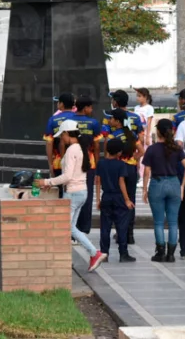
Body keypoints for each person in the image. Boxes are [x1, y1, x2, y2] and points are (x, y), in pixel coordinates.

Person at [38, 120, 106, 271]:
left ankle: (93, 253)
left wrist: (46, 181)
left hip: (73, 193)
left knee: (66, 228)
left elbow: (67, 176)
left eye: (62, 136)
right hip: (82, 191)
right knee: (70, 228)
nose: (61, 139)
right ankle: (90, 254)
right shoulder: (81, 148)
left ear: (66, 133)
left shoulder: (71, 151)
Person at [142, 118, 185, 263]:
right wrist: (182, 186)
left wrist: (144, 189)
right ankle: (171, 254)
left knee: (158, 222)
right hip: (174, 183)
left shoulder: (152, 149)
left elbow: (146, 172)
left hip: (157, 183)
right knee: (173, 222)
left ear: (158, 131)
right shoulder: (177, 148)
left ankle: (160, 253)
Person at [97, 137, 137, 263]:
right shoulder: (121, 165)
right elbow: (121, 183)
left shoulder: (101, 163)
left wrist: (98, 199)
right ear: (119, 152)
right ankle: (123, 254)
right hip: (119, 197)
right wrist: (127, 199)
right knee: (121, 226)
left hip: (106, 196)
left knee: (105, 227)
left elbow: (97, 181)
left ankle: (104, 253)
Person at [107, 109, 144, 244]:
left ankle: (121, 233)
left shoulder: (112, 136)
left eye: (111, 118)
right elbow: (141, 151)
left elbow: (108, 156)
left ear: (117, 121)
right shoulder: (132, 134)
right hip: (131, 169)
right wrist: (132, 159)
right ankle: (130, 234)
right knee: (131, 200)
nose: (109, 121)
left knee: (119, 200)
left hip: (118, 170)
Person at [72, 95, 105, 234]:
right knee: (87, 195)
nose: (91, 110)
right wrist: (97, 164)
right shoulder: (93, 123)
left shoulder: (69, 120)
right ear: (85, 108)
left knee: (71, 193)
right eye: (90, 107)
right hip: (89, 163)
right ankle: (84, 229)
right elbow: (97, 147)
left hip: (72, 162)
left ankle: (72, 228)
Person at [44, 93, 77, 190]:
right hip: (77, 159)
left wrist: (50, 164)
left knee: (60, 190)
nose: (57, 104)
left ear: (61, 104)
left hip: (59, 161)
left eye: (58, 102)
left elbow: (49, 142)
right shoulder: (79, 118)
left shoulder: (53, 119)